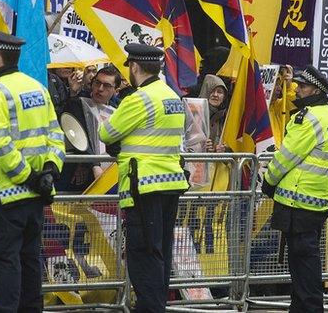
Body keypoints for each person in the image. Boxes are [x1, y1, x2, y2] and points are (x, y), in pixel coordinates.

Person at [0, 30, 64, 313]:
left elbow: (0, 145)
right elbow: (55, 135)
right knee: (29, 261)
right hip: (36, 196)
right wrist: (48, 173)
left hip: (5, 195)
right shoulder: (36, 87)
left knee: (4, 264)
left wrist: (28, 177)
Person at [100, 43, 189, 313]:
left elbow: (107, 133)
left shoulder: (139, 99)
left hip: (144, 187)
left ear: (135, 67)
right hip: (170, 185)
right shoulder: (171, 96)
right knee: (160, 252)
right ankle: (156, 306)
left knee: (143, 255)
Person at [260, 66, 328, 313]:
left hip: (298, 201)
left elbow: (286, 157)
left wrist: (269, 182)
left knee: (302, 265)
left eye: (303, 86)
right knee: (305, 261)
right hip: (318, 201)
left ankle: (308, 308)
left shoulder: (307, 118)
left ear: (315, 90)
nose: (297, 90)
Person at [58, 64, 121, 193]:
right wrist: (94, 165)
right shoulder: (79, 103)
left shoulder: (118, 110)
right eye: (97, 83)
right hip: (78, 172)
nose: (100, 89)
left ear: (116, 89)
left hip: (110, 171)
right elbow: (77, 134)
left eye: (107, 86)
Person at [198, 74, 230, 152]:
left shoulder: (227, 118)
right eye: (212, 91)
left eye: (219, 92)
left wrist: (225, 150)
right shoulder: (194, 114)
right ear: (205, 92)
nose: (215, 95)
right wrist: (200, 146)